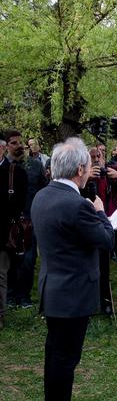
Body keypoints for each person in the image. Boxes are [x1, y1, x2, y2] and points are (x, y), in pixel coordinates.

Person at [31, 137, 115, 401]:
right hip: (72, 292)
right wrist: (101, 212)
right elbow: (106, 240)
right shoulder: (77, 205)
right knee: (64, 359)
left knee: (55, 356)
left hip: (52, 287)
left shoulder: (41, 196)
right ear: (81, 169)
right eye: (90, 165)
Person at [85, 147, 117, 313]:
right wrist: (87, 177)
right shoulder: (84, 173)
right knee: (102, 266)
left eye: (98, 156)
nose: (96, 159)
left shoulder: (114, 168)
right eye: (92, 157)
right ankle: (105, 303)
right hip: (99, 225)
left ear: (103, 157)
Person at [5, 129, 48, 309]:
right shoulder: (3, 166)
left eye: (20, 142)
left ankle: (24, 296)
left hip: (30, 220)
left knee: (28, 259)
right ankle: (9, 295)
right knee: (8, 260)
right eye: (14, 143)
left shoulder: (35, 166)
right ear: (6, 146)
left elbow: (43, 191)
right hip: (7, 221)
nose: (20, 146)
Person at [0, 137, 27, 328]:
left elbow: (19, 205)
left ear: (2, 149)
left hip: (2, 231)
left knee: (0, 274)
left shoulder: (15, 172)